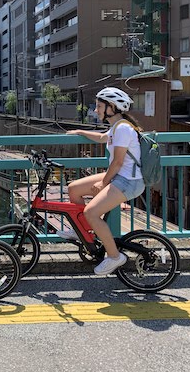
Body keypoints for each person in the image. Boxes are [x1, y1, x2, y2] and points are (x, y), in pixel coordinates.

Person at [60, 87, 145, 275]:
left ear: (111, 107)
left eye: (99, 106)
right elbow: (101, 137)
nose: (96, 110)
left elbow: (118, 162)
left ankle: (115, 257)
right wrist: (79, 131)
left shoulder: (123, 128)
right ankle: (83, 230)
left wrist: (104, 183)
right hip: (120, 176)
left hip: (129, 181)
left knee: (91, 212)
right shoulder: (117, 127)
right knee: (74, 189)